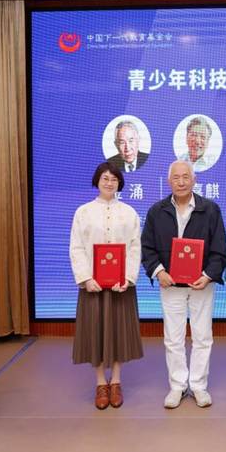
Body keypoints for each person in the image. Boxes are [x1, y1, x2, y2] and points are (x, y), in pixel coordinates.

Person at [141, 160, 226, 408]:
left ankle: (198, 386)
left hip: (202, 284)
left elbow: (220, 248)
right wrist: (159, 272)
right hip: (170, 285)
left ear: (194, 180)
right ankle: (177, 386)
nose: (181, 182)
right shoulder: (157, 211)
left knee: (203, 337)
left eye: (185, 177)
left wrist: (208, 275)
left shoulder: (210, 209)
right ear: (169, 181)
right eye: (176, 178)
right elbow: (147, 248)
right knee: (173, 338)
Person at [69, 162, 143, 410]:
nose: (109, 183)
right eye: (105, 178)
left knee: (119, 332)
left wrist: (128, 278)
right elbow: (76, 247)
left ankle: (116, 381)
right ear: (97, 181)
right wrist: (86, 278)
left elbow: (135, 247)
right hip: (94, 286)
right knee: (96, 333)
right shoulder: (83, 212)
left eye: (114, 179)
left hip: (121, 286)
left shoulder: (129, 213)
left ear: (119, 182)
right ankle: (101, 382)